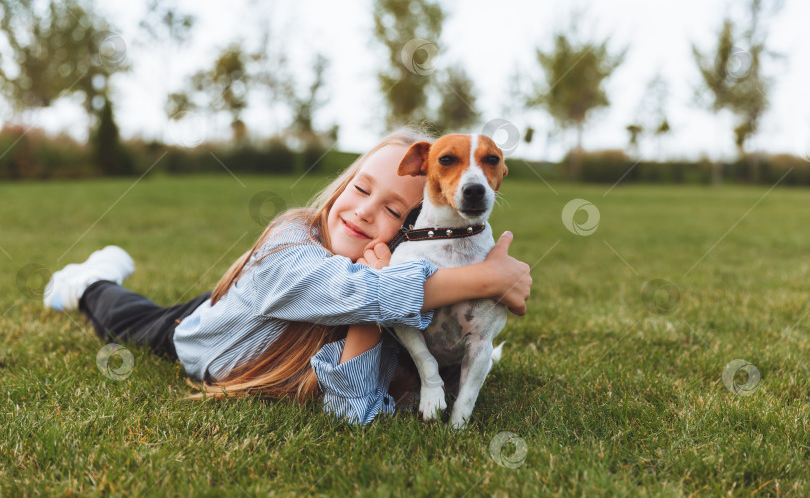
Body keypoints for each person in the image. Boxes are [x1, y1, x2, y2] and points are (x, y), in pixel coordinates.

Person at [43, 128, 532, 424]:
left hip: (286, 326)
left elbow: (355, 411)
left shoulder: (389, 298)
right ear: (343, 184)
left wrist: (376, 317)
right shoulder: (291, 239)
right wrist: (488, 279)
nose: (363, 211)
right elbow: (360, 292)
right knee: (123, 316)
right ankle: (91, 278)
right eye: (361, 188)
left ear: (407, 233)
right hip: (202, 331)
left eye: (390, 209)